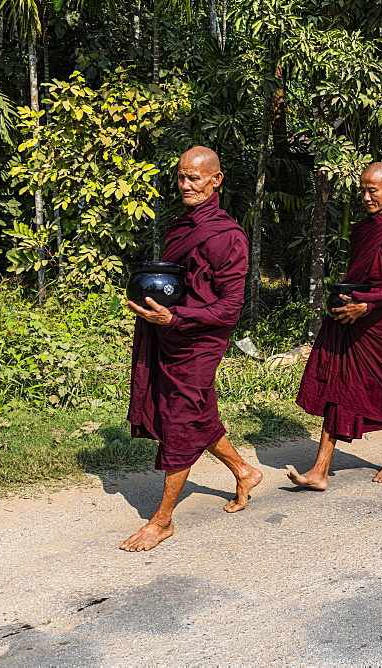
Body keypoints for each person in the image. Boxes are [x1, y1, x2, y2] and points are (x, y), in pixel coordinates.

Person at [122, 146, 263, 552]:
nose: (185, 185)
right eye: (181, 177)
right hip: (169, 332)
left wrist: (177, 319)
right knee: (197, 413)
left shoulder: (229, 236)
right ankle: (243, 470)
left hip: (200, 340)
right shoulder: (181, 226)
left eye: (195, 178)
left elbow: (229, 308)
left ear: (215, 179)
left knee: (181, 419)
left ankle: (162, 520)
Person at [287, 162, 382, 490]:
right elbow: (355, 277)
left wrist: (368, 304)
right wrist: (344, 302)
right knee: (338, 386)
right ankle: (319, 470)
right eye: (361, 190)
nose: (364, 197)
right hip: (353, 315)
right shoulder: (362, 229)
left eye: (371, 190)